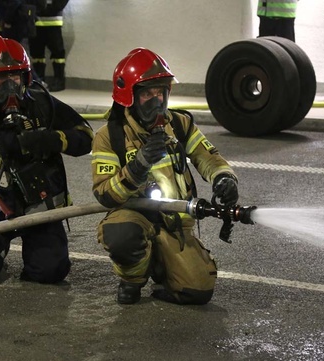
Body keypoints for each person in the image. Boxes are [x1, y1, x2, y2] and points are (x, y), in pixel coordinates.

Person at [91, 48, 239, 305]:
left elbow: (207, 157)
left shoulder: (180, 124)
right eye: (147, 93)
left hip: (175, 224)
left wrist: (223, 178)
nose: (156, 100)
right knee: (120, 234)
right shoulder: (110, 135)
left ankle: (161, 265)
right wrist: (138, 167)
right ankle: (132, 280)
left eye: (161, 92)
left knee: (198, 291)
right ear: (129, 97)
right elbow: (104, 194)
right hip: (134, 216)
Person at [0, 35, 94, 284]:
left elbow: (86, 136)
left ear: (26, 77)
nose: (10, 85)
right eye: (1, 78)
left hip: (42, 213)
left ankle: (38, 252)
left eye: (15, 76)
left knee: (50, 272)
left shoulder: (44, 105)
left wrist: (53, 139)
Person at [29, 0, 69, 92]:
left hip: (54, 22)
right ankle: (39, 81)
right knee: (36, 54)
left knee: (58, 53)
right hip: (37, 22)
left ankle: (59, 81)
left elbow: (60, 4)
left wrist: (50, 8)